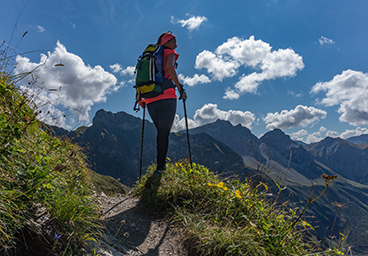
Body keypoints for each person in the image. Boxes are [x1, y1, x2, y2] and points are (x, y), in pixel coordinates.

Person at [138, 31, 187, 174]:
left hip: (150, 99)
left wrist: (139, 97)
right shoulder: (170, 52)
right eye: (173, 41)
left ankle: (160, 166)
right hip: (166, 97)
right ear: (166, 42)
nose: (176, 45)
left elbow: (140, 77)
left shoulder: (149, 56)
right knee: (164, 133)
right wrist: (179, 87)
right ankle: (160, 168)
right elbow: (170, 67)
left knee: (161, 132)